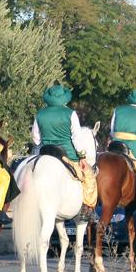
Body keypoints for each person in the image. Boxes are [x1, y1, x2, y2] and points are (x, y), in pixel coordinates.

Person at [32, 83, 97, 216]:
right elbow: (76, 138)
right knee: (89, 176)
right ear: (64, 98)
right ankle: (87, 209)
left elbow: (36, 138)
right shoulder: (70, 113)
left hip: (45, 152)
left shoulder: (40, 114)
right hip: (67, 155)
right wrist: (82, 156)